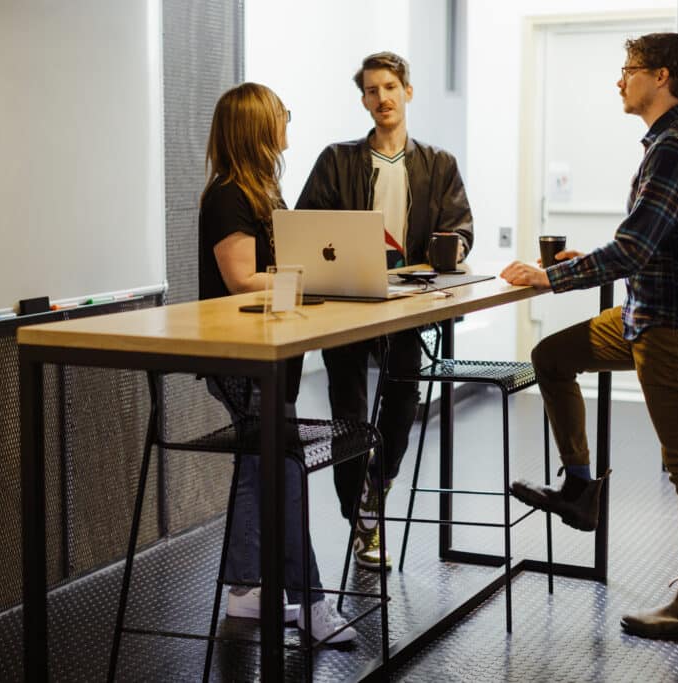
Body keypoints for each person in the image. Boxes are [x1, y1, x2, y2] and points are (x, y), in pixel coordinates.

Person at [500, 33, 678, 641]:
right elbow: (648, 240)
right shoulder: (673, 142)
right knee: (552, 355)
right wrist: (582, 260)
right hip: (643, 314)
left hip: (670, 327)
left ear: (661, 76)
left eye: (629, 70)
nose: (619, 80)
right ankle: (580, 489)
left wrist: (552, 275)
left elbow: (636, 246)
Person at [296, 52, 474, 570]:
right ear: (364, 101)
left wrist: (455, 248)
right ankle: (363, 521)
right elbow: (306, 226)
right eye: (372, 91)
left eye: (390, 87)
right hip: (346, 308)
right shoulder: (337, 159)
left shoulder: (438, 164)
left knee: (401, 405)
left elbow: (461, 227)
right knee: (348, 415)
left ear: (408, 92)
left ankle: (377, 488)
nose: (382, 99)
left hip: (408, 308)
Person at [198, 82, 356, 643]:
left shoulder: (263, 191)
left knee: (255, 464)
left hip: (269, 355)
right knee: (283, 467)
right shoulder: (229, 196)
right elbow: (241, 278)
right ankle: (311, 603)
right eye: (281, 115)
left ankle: (244, 592)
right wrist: (313, 277)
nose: (287, 121)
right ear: (258, 129)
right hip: (244, 359)